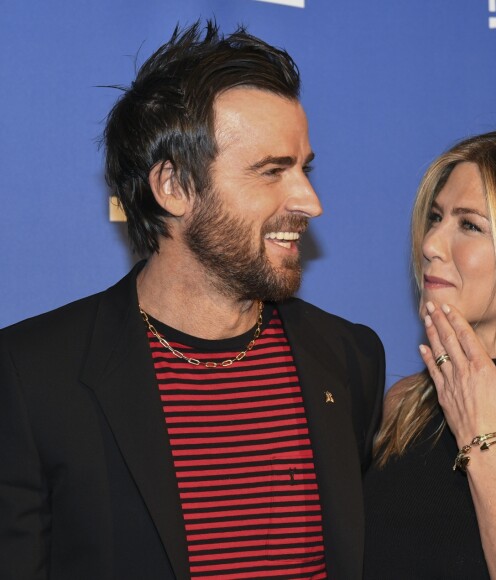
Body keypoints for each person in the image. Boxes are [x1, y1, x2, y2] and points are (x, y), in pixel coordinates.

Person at [0, 22, 385, 580]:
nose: (310, 201)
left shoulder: (348, 357)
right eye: (272, 171)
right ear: (174, 188)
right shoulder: (32, 375)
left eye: (305, 168)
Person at [363, 130, 496, 578]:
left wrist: (485, 441)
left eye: (469, 225)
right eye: (436, 217)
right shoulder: (403, 407)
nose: (430, 245)